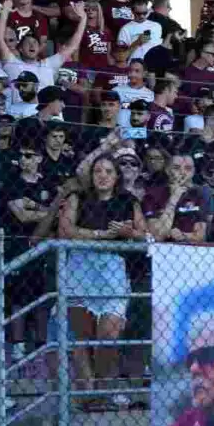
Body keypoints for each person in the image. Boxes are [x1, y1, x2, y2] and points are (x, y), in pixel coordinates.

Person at [58, 147, 145, 408]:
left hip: (112, 270)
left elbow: (144, 234)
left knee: (108, 334)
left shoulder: (128, 201)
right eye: (98, 171)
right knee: (82, 337)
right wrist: (99, 236)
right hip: (80, 268)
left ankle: (103, 388)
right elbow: (65, 230)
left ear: (117, 176)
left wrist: (128, 231)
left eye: (109, 171)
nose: (103, 176)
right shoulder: (79, 198)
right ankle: (88, 394)